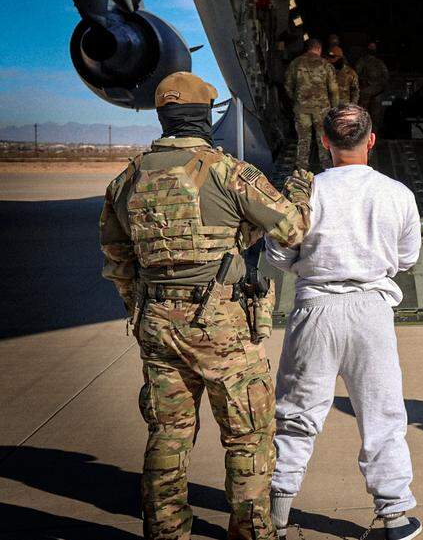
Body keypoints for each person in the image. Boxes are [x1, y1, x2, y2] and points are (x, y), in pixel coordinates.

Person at [100, 71, 313, 540]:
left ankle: (165, 528)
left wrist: (145, 307)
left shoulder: (127, 179)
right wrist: (300, 191)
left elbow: (118, 258)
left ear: (164, 117)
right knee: (248, 433)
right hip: (221, 326)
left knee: (168, 432)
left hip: (156, 321)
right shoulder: (229, 172)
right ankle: (252, 531)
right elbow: (293, 229)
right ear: (204, 117)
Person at [266, 104, 423, 540]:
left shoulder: (305, 193)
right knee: (382, 415)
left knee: (297, 414)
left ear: (325, 143)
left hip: (315, 308)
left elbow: (278, 254)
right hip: (372, 311)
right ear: (372, 140)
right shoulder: (398, 194)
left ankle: (275, 513)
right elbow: (407, 258)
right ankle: (395, 516)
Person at [285, 38, 339, 170]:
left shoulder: (295, 63)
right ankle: (326, 168)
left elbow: (287, 85)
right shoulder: (325, 64)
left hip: (302, 108)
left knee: (303, 139)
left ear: (307, 48)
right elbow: (333, 89)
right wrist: (334, 108)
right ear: (319, 49)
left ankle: (301, 170)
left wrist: (296, 100)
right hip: (321, 109)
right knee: (323, 140)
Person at [356, 41, 390, 127]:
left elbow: (385, 78)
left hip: (375, 93)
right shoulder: (362, 61)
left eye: (373, 47)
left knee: (375, 118)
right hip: (366, 93)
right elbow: (356, 75)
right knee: (364, 116)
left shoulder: (379, 63)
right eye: (370, 47)